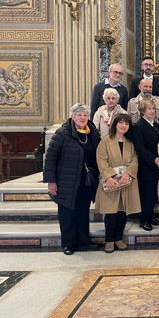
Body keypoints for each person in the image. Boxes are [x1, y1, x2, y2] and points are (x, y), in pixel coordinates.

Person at [43, 103, 101, 255]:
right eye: (79, 115)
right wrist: (51, 181)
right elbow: (50, 158)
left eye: (85, 115)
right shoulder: (62, 133)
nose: (83, 118)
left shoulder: (93, 132)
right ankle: (68, 243)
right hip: (66, 180)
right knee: (67, 211)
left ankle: (83, 241)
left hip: (86, 180)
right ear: (72, 116)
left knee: (83, 211)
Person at [96, 114, 140, 253]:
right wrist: (109, 177)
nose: (123, 126)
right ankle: (109, 240)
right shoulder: (105, 141)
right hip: (112, 182)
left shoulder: (130, 143)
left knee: (123, 212)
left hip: (126, 182)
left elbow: (134, 160)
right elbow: (101, 161)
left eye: (126, 123)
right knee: (111, 212)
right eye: (121, 123)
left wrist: (127, 174)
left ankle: (118, 239)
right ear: (115, 124)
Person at [132, 99, 159, 231]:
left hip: (156, 165)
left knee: (153, 194)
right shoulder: (139, 127)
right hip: (147, 166)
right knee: (146, 193)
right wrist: (154, 159)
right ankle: (144, 219)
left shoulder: (156, 125)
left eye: (153, 108)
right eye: (149, 109)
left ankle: (151, 215)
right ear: (142, 111)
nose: (152, 111)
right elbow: (140, 149)